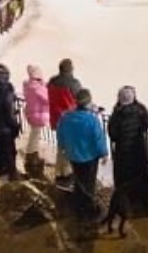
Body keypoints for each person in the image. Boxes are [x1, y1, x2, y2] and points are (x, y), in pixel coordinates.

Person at [56, 88, 108, 222]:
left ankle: (78, 203)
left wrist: (63, 147)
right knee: (89, 182)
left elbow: (60, 134)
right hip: (90, 157)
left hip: (73, 155)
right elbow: (98, 139)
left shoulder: (66, 117)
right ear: (88, 102)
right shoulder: (91, 120)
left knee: (79, 179)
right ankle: (88, 210)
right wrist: (103, 153)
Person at [108, 86, 148, 208]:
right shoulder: (141, 110)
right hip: (139, 150)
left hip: (123, 152)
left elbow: (113, 134)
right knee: (140, 175)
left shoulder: (116, 114)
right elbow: (147, 125)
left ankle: (126, 202)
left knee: (124, 178)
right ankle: (141, 200)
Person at [48, 59, 83, 190]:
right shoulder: (73, 84)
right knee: (70, 147)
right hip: (70, 120)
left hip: (56, 118)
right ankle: (67, 176)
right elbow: (80, 99)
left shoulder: (52, 82)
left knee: (61, 146)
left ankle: (59, 173)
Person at [23, 64, 49, 176]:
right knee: (35, 135)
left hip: (31, 113)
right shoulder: (38, 88)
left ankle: (32, 153)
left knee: (34, 134)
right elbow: (47, 99)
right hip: (38, 114)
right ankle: (31, 154)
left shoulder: (28, 85)